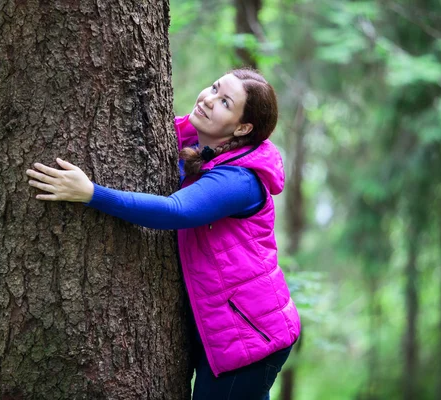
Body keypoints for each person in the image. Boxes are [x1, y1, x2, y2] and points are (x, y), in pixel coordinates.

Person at [26, 68, 301, 399]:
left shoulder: (240, 180)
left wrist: (91, 193)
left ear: (242, 128)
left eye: (225, 102)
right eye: (214, 87)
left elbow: (176, 211)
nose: (209, 99)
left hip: (248, 337)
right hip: (229, 330)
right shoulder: (198, 143)